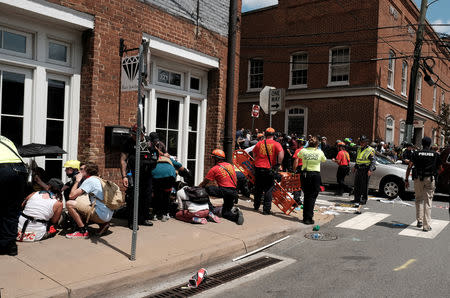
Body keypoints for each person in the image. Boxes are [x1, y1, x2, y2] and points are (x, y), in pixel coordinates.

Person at [120, 125, 157, 228]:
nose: (133, 136)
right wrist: (124, 176)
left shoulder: (148, 141)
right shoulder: (128, 142)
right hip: (133, 173)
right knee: (133, 197)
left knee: (146, 197)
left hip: (147, 174)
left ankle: (143, 218)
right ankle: (132, 221)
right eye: (132, 134)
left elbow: (155, 153)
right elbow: (123, 160)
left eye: (135, 134)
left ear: (142, 134)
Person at [66, 162, 112, 238]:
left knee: (69, 204)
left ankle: (82, 231)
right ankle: (103, 224)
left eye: (81, 169)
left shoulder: (90, 181)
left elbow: (71, 196)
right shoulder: (98, 179)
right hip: (107, 214)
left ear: (87, 171)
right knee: (83, 203)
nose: (79, 171)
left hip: (101, 215)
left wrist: (77, 181)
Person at [405, 137, 442, 232]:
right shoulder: (435, 154)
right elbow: (441, 168)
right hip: (430, 179)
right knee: (428, 202)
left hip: (418, 179)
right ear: (430, 144)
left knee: (418, 199)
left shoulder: (416, 153)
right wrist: (435, 173)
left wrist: (406, 179)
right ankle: (426, 225)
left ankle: (419, 221)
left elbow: (409, 166)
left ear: (422, 143)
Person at [198, 149, 244, 224]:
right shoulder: (230, 166)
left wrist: (197, 188)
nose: (212, 159)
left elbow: (204, 183)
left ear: (216, 159)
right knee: (225, 213)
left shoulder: (214, 169)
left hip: (224, 190)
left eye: (213, 158)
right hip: (234, 192)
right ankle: (236, 216)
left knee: (204, 190)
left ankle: (211, 210)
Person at [0, 135, 28, 256]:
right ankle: (10, 246)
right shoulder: (5, 139)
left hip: (2, 169)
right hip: (19, 170)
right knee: (12, 211)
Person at [252, 127, 284, 215]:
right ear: (274, 135)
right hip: (269, 169)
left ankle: (256, 206)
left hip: (258, 168)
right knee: (268, 189)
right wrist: (278, 164)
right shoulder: (276, 144)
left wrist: (257, 160)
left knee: (258, 188)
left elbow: (254, 153)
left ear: (265, 135)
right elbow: (281, 153)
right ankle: (266, 210)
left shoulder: (259, 143)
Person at [151, 141, 183, 222]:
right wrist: (187, 173)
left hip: (156, 175)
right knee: (166, 195)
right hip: (169, 176)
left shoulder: (153, 157)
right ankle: (165, 214)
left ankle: (155, 214)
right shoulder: (168, 158)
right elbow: (179, 166)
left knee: (156, 195)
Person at [298, 136, 326, 224]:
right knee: (313, 196)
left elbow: (299, 156)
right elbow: (324, 160)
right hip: (315, 175)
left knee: (306, 195)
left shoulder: (303, 150)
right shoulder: (319, 151)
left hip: (305, 174)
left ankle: (305, 217)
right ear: (317, 144)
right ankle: (309, 217)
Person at [352, 135, 376, 213]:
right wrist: (355, 166)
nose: (361, 143)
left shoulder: (370, 150)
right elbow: (358, 159)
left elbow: (373, 161)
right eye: (360, 142)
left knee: (364, 185)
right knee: (357, 185)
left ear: (366, 142)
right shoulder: (359, 149)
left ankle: (363, 199)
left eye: (363, 142)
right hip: (359, 168)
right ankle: (356, 199)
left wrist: (370, 170)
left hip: (366, 169)